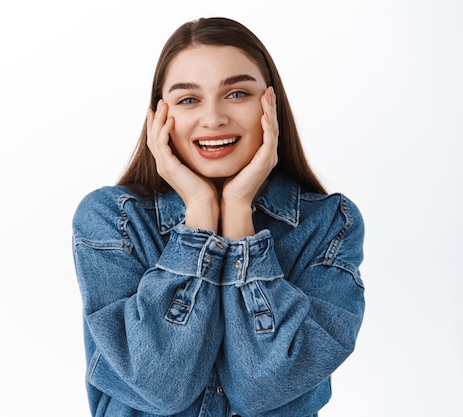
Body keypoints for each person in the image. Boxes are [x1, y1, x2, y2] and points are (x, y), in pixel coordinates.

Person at [72, 16, 365, 417]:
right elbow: (159, 385)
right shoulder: (113, 220)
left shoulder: (329, 224)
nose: (213, 119)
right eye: (188, 99)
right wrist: (199, 216)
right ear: (159, 117)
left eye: (237, 93)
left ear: (271, 104)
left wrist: (239, 213)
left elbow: (263, 388)